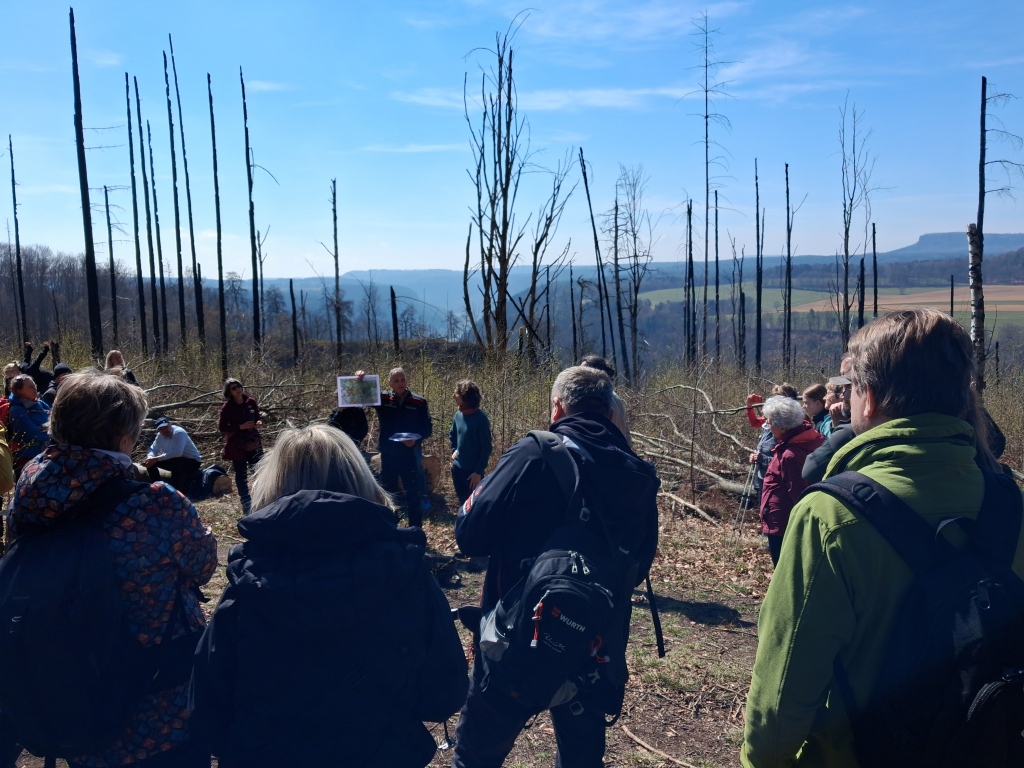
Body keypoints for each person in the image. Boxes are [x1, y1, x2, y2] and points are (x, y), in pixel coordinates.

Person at [741, 308, 1024, 768]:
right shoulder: (1012, 502)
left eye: (850, 389)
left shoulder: (830, 515)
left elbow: (784, 690)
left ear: (867, 398)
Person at [189, 424, 468, 768]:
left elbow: (206, 709)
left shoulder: (247, 583)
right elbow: (444, 694)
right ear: (363, 481)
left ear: (273, 489)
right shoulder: (407, 574)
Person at [451, 365, 660, 768]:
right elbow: (640, 564)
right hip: (592, 644)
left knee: (476, 757)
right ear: (609, 409)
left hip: (514, 639)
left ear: (558, 406)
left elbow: (469, 534)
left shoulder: (536, 451)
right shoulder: (637, 473)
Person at [8, 370, 217, 768]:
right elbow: (204, 564)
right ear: (124, 436)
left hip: (68, 680)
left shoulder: (29, 485)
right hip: (155, 695)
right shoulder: (155, 501)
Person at [355, 367, 433, 527]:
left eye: (402, 379)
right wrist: (360, 380)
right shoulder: (382, 398)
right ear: (390, 383)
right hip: (388, 455)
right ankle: (390, 528)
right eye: (396, 380)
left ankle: (415, 529)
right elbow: (361, 398)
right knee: (388, 493)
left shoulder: (418, 401)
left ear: (406, 380)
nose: (400, 383)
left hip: (409, 454)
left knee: (413, 493)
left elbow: (427, 428)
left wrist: (416, 439)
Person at [759, 396, 825, 565]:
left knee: (784, 566)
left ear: (782, 426)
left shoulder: (791, 454)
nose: (768, 427)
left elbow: (800, 493)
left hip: (784, 524)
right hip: (781, 521)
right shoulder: (798, 439)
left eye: (770, 423)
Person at [801, 360, 856, 484]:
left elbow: (810, 469)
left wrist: (838, 426)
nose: (825, 397)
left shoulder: (841, 427)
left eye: (847, 387)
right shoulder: (826, 420)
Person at [745, 383, 799, 506]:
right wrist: (749, 406)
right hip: (762, 477)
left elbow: (784, 460)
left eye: (778, 400)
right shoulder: (771, 423)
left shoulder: (791, 427)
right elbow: (755, 422)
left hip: (777, 485)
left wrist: (762, 458)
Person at [218, 378, 263, 515]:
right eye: (233, 388)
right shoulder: (227, 407)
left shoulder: (251, 402)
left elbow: (257, 416)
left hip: (253, 441)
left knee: (259, 471)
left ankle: (262, 498)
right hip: (237, 445)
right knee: (241, 475)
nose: (238, 389)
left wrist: (260, 421)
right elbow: (222, 427)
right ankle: (246, 503)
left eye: (239, 386)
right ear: (229, 392)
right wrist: (240, 427)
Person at [449, 379, 493, 505]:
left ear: (465, 397)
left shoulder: (481, 419)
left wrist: (478, 472)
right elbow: (452, 434)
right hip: (458, 469)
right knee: (462, 503)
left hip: (473, 474)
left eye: (456, 393)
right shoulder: (458, 415)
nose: (454, 395)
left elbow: (486, 448)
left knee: (474, 506)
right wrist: (454, 449)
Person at [579, 354, 632, 448]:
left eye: (582, 371)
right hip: (620, 455)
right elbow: (627, 433)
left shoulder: (598, 401)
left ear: (595, 374)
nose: (578, 374)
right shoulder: (615, 397)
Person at [7, 374, 51, 477]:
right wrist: (53, 431)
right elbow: (37, 435)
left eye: (34, 384)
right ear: (20, 391)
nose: (35, 388)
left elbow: (57, 420)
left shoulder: (40, 403)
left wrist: (46, 429)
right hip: (26, 459)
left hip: (45, 454)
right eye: (31, 386)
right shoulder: (16, 410)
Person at [145, 416, 202, 493]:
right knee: (151, 464)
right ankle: (158, 488)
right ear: (158, 430)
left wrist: (157, 458)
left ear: (170, 424)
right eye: (161, 429)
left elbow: (178, 452)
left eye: (165, 427)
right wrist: (150, 457)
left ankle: (177, 492)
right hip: (176, 460)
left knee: (176, 463)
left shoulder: (179, 432)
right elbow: (153, 449)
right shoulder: (160, 436)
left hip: (193, 462)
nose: (164, 430)